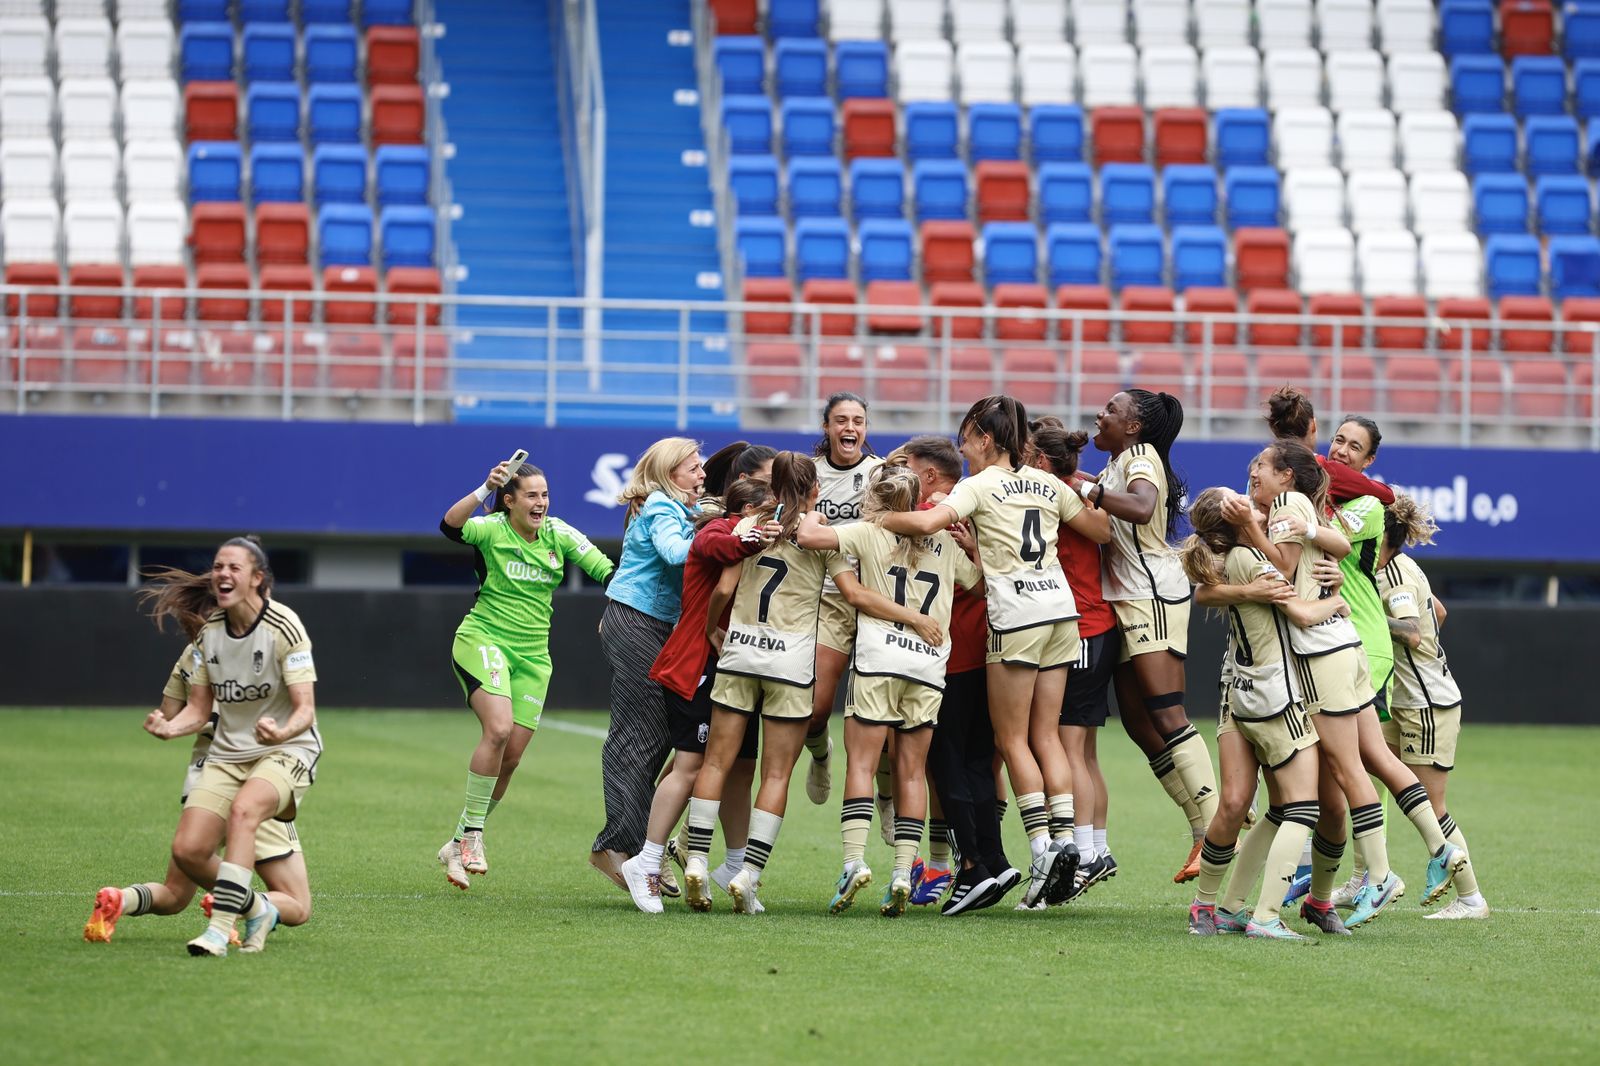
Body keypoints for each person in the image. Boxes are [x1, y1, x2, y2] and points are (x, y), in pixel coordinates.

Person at [876, 396, 1111, 909]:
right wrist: (1082, 491)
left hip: (1017, 617)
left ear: (985, 437)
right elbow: (1101, 530)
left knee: (1012, 739)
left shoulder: (976, 486)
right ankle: (1069, 840)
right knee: (1048, 735)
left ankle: (1043, 847)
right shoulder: (1050, 483)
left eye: (966, 437)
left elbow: (921, 525)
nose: (963, 447)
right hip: (1062, 614)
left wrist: (875, 523)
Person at [1224, 441, 1469, 929]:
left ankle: (1378, 875)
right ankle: (1441, 850)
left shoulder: (1290, 509)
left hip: (1325, 652)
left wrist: (1249, 535)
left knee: (1346, 769)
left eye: (1263, 466)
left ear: (1288, 476)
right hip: (1350, 641)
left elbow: (1288, 572)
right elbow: (1334, 544)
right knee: (1376, 759)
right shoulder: (1319, 514)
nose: (1255, 473)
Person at [84, 571, 312, 944]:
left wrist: (165, 724)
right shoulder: (267, 642)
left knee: (174, 895)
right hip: (254, 778)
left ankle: (119, 899)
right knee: (298, 906)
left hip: (203, 783)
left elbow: (170, 713)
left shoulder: (192, 654)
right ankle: (235, 903)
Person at [797, 465, 978, 916]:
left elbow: (808, 537)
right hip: (928, 665)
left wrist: (816, 514)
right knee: (912, 772)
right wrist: (971, 547)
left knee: (861, 763)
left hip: (880, 659)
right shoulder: (946, 542)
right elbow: (978, 583)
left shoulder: (867, 530)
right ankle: (902, 870)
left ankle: (854, 862)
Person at [437, 458, 614, 889]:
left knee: (511, 757)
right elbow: (450, 526)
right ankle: (475, 836)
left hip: (534, 658)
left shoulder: (559, 534)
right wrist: (483, 488)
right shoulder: (492, 527)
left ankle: (457, 840)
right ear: (510, 500)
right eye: (532, 495)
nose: (541, 503)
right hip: (484, 640)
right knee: (496, 731)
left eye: (545, 494)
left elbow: (608, 571)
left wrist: (622, 607)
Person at [138, 537, 319, 956]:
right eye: (219, 566)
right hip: (227, 755)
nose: (222, 573)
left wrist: (281, 730)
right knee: (189, 850)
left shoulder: (284, 625)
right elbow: (197, 712)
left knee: (245, 811)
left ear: (258, 579)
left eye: (234, 567)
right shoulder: (208, 637)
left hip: (287, 750)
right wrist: (169, 728)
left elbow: (305, 710)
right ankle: (255, 906)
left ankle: (219, 930)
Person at [1180, 488, 1342, 940]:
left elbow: (1205, 594)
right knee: (1303, 807)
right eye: (1246, 504)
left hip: (1237, 693)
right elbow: (1304, 614)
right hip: (1274, 697)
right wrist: (1338, 599)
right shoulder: (1252, 558)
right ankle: (1267, 916)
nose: (1256, 504)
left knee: (1237, 804)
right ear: (1236, 520)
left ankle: (1214, 908)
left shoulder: (1229, 562)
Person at [619, 477, 776, 913]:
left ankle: (735, 866)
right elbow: (720, 551)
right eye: (769, 513)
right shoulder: (714, 530)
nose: (775, 522)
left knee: (742, 767)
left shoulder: (747, 533)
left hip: (736, 666)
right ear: (747, 512)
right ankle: (647, 861)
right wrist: (752, 535)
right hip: (696, 664)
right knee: (690, 764)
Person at [680, 454, 829, 912]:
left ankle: (699, 863)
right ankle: (750, 875)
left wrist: (710, 628)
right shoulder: (820, 531)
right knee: (776, 772)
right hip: (790, 663)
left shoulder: (752, 524)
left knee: (716, 763)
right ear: (813, 490)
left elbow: (723, 590)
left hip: (740, 651)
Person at [1088, 389, 1215, 882]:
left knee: (1167, 713)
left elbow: (1142, 509)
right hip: (1123, 599)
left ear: (1135, 426)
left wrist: (1087, 492)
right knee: (1140, 724)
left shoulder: (1141, 458)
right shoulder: (1116, 462)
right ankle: (1203, 827)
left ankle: (1214, 828)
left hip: (1151, 596)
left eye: (1112, 410)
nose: (1101, 415)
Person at [895, 435, 1021, 915]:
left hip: (939, 655)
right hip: (986, 652)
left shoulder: (928, 513)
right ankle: (995, 857)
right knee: (977, 762)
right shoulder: (985, 503)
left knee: (945, 764)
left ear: (927, 475)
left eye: (907, 467)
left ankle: (971, 869)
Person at [591, 438, 705, 887]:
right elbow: (677, 554)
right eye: (693, 468)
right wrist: (718, 531)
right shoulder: (661, 506)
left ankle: (635, 846)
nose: (701, 475)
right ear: (668, 472)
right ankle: (618, 848)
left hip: (650, 623)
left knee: (654, 734)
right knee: (642, 734)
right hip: (638, 621)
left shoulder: (672, 508)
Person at [1377, 495, 1489, 919]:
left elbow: (1411, 632)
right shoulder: (1395, 568)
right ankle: (1367, 874)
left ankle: (1470, 897)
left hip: (1427, 705)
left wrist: (1369, 619)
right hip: (1412, 700)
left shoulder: (1396, 573)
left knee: (1430, 805)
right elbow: (1438, 611)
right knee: (1355, 763)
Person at [1029, 423, 1122, 899]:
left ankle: (1082, 855)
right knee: (1082, 751)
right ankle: (1096, 850)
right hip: (1094, 627)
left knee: (1068, 750)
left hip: (1080, 629)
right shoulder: (1079, 491)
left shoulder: (1056, 496)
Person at [803, 393, 886, 812]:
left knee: (883, 716)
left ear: (865, 429)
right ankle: (820, 755)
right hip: (829, 599)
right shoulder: (810, 474)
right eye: (841, 420)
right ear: (827, 428)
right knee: (814, 712)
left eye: (858, 420)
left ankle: (886, 795)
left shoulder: (880, 473)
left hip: (875, 600)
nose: (850, 428)